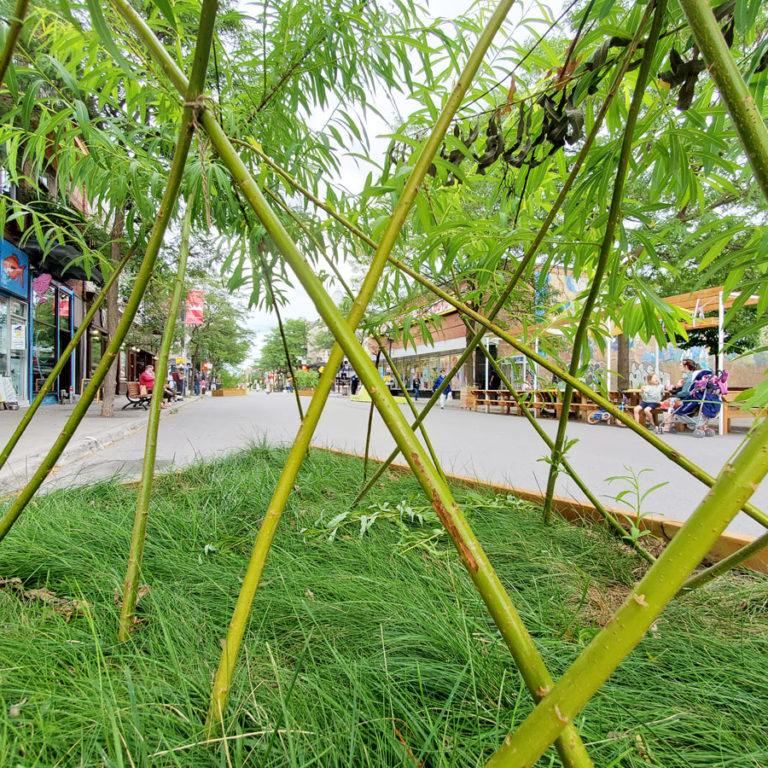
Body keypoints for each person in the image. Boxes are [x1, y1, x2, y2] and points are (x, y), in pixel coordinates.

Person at [662, 359, 697, 433]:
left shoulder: (689, 378)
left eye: (681, 365)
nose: (679, 367)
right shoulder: (693, 376)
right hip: (692, 401)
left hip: (686, 401)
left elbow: (685, 392)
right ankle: (672, 424)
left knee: (665, 404)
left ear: (686, 366)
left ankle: (667, 426)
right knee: (670, 403)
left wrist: (674, 392)